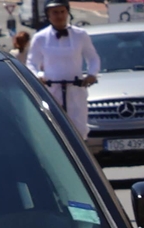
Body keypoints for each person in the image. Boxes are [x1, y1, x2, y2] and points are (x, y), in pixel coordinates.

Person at [24, 1, 99, 134]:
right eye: (55, 12)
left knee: (79, 127)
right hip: (52, 90)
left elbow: (92, 58)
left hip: (76, 88)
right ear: (48, 15)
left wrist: (91, 74)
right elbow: (31, 63)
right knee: (54, 126)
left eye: (62, 12)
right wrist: (39, 77)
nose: (59, 16)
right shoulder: (40, 38)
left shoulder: (80, 35)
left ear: (67, 13)